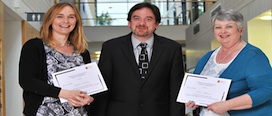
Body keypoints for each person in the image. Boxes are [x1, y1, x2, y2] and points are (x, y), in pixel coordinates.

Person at [89, 2, 185, 116]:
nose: (142, 23)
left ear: (157, 24)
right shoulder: (111, 48)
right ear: (129, 23)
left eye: (148, 19)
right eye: (136, 18)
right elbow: (102, 89)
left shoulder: (172, 49)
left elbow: (176, 91)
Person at [186, 9, 272, 116]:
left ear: (241, 30)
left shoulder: (253, 56)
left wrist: (228, 105)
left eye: (229, 27)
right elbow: (195, 87)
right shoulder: (207, 58)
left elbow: (266, 90)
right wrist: (193, 100)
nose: (223, 31)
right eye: (218, 27)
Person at [19, 2, 94, 116]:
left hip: (77, 113)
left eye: (71, 17)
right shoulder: (34, 47)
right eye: (60, 16)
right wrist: (64, 93)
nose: (66, 21)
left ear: (76, 21)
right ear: (50, 20)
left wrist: (88, 98)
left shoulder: (82, 52)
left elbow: (88, 85)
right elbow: (27, 81)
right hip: (43, 112)